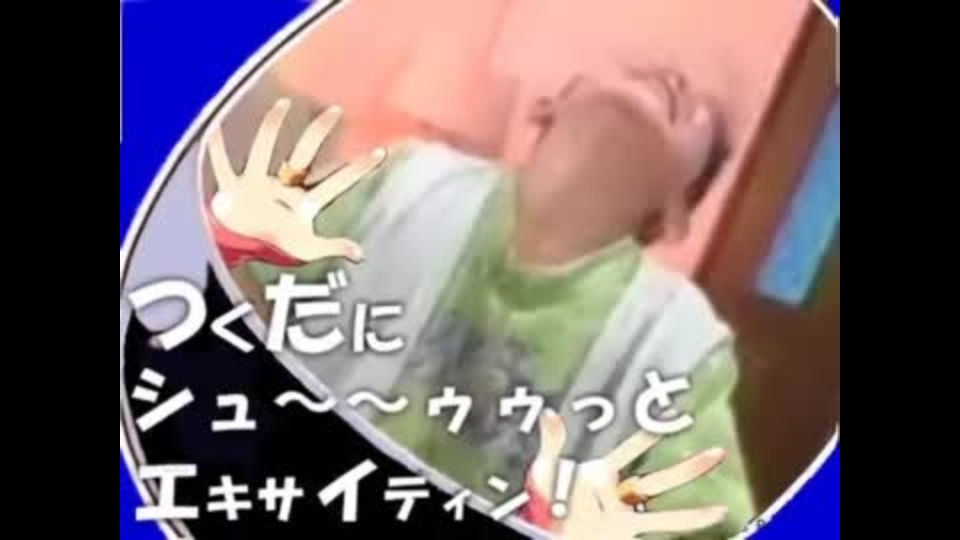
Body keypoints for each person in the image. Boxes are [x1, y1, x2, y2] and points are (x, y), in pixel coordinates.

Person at [205, 66, 756, 538]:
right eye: (642, 74)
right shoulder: (404, 182)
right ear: (548, 109)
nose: (672, 80)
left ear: (673, 216)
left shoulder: (679, 344)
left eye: (694, 108)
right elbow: (233, 291)